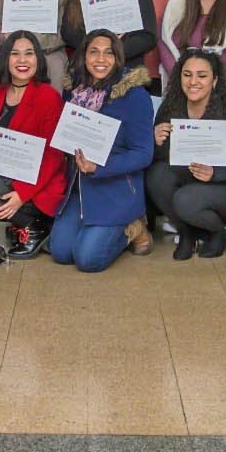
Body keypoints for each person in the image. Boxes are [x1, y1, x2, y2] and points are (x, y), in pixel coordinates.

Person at [48, 32, 154, 272]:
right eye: (94, 51)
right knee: (61, 253)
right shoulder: (72, 90)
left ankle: (134, 227)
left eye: (109, 53)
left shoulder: (134, 95)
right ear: (84, 56)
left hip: (115, 187)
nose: (101, 59)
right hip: (79, 187)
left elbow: (143, 153)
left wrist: (99, 167)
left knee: (88, 260)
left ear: (118, 58)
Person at [148, 49, 226, 259]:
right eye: (187, 75)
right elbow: (160, 158)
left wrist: (223, 168)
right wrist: (155, 140)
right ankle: (187, 233)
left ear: (214, 80)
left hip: (224, 183)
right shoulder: (171, 105)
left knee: (184, 199)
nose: (193, 81)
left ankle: (219, 231)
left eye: (202, 76)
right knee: (155, 176)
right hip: (187, 175)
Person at [0, 32, 67, 259]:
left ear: (39, 59)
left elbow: (53, 157)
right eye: (15, 54)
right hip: (3, 174)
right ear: (6, 59)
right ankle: (24, 224)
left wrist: (22, 194)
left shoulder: (49, 97)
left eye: (29, 54)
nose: (22, 60)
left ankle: (34, 225)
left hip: (39, 183)